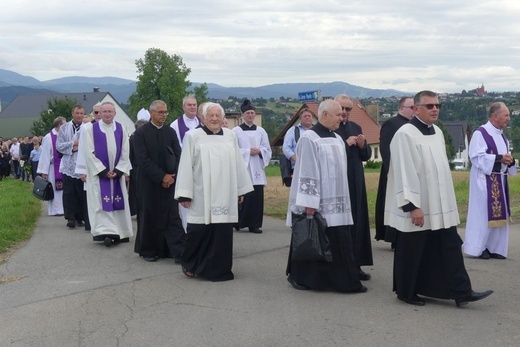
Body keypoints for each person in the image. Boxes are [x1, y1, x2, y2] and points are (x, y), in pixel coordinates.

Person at [385, 90, 493, 307]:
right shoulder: (405, 134)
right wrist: (412, 206)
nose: (435, 109)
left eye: (437, 105)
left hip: (440, 204)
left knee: (450, 246)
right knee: (413, 249)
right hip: (419, 205)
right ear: (416, 109)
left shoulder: (437, 131)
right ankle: (406, 292)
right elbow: (405, 172)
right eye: (429, 106)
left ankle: (461, 292)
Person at [285, 99, 366, 293]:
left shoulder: (337, 138)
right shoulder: (309, 138)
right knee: (312, 239)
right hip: (318, 202)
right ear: (325, 115)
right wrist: (309, 203)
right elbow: (307, 170)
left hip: (338, 198)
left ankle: (339, 279)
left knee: (338, 239)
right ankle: (305, 278)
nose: (342, 117)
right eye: (338, 114)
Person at [175, 102, 253, 281]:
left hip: (225, 192)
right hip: (201, 192)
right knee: (198, 231)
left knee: (222, 233)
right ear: (202, 117)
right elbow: (186, 165)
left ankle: (219, 269)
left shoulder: (230, 135)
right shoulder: (193, 136)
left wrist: (240, 189)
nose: (215, 119)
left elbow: (238, 163)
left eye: (218, 115)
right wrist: (185, 194)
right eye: (211, 115)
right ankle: (190, 263)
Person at [463, 102, 517, 260]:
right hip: (484, 180)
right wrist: (500, 158)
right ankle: (478, 248)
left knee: (500, 215)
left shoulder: (502, 136)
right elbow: (476, 157)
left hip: (499, 179)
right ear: (495, 116)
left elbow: (506, 159)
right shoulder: (481, 133)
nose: (509, 118)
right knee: (483, 214)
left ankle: (496, 248)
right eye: (506, 115)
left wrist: (511, 162)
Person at [133, 100, 184, 262]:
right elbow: (143, 160)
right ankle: (149, 250)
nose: (164, 115)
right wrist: (161, 177)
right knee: (149, 215)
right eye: (160, 112)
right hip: (148, 182)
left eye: (165, 112)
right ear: (151, 113)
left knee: (172, 216)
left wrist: (171, 175)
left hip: (170, 181)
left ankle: (175, 250)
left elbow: (178, 154)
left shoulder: (170, 132)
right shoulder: (141, 134)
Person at [82, 101, 133, 247]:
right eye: (104, 111)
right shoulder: (92, 130)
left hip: (117, 175)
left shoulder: (121, 129)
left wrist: (118, 170)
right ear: (99, 113)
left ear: (115, 113)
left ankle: (120, 231)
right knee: (100, 202)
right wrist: (102, 171)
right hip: (100, 176)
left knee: (118, 200)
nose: (107, 114)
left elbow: (125, 151)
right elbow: (88, 152)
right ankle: (105, 232)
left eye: (110, 111)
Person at [334, 94, 373, 281]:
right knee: (343, 225)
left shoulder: (355, 127)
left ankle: (356, 265)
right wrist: (345, 144)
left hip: (356, 180)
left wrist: (362, 145)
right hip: (339, 183)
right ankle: (342, 266)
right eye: (341, 108)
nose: (344, 112)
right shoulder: (330, 128)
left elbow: (365, 156)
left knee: (357, 223)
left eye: (348, 109)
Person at [375, 97, 415, 246]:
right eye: (411, 107)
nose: (414, 110)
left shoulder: (411, 125)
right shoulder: (392, 124)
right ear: (401, 108)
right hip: (393, 172)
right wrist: (395, 170)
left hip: (408, 172)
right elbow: (386, 149)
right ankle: (395, 238)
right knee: (395, 204)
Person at [232, 99, 272, 233]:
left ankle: (254, 224)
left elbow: (267, 148)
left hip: (257, 168)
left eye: (252, 113)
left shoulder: (261, 131)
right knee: (244, 196)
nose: (250, 115)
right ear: (242, 115)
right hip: (244, 167)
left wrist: (260, 151)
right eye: (248, 113)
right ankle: (239, 222)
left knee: (256, 197)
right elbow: (233, 149)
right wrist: (248, 151)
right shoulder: (236, 131)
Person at [170, 95, 202, 232]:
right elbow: (175, 147)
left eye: (194, 105)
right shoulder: (175, 125)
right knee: (186, 200)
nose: (192, 107)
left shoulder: (203, 122)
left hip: (201, 168)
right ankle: (187, 231)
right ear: (183, 107)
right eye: (189, 105)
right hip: (185, 167)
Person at [56, 104, 87, 228]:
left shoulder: (87, 128)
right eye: (77, 113)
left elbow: (89, 145)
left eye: (81, 113)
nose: (79, 116)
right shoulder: (64, 128)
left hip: (82, 164)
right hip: (68, 165)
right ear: (72, 114)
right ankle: (70, 217)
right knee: (69, 193)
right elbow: (59, 145)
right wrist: (73, 144)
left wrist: (79, 146)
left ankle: (81, 217)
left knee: (81, 192)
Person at [37, 117, 67, 216]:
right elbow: (45, 154)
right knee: (55, 189)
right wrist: (43, 171)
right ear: (59, 125)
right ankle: (55, 210)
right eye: (64, 124)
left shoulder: (65, 135)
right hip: (53, 167)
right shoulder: (48, 137)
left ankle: (64, 209)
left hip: (64, 166)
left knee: (64, 189)